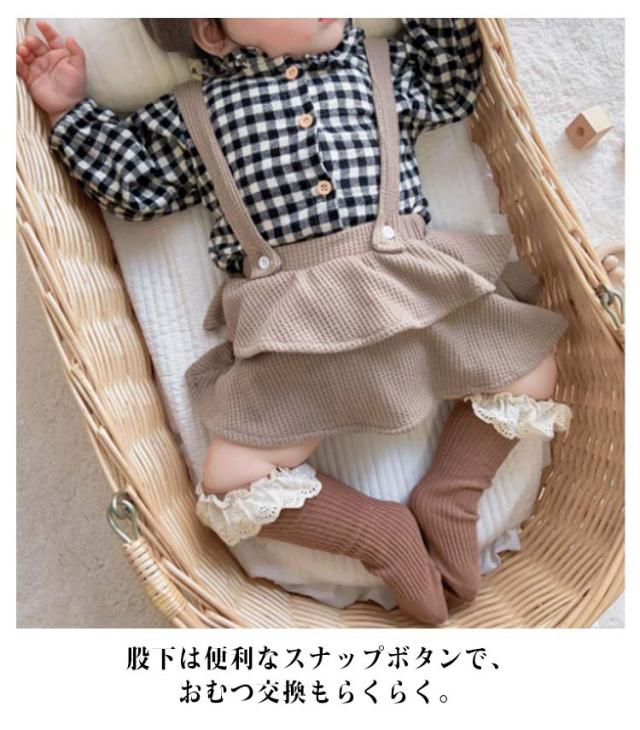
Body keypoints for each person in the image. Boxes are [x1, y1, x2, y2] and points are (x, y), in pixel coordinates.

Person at [17, 18, 572, 625]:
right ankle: (378, 533)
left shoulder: (384, 65)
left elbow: (452, 79)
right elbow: (137, 185)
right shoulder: (193, 113)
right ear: (213, 32)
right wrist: (68, 108)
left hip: (413, 291)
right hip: (297, 329)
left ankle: (451, 494)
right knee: (232, 477)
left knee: (532, 367)